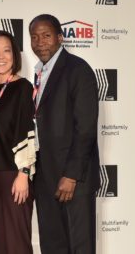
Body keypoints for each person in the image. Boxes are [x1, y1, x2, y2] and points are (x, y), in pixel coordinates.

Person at [29, 14, 100, 254]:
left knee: (79, 247)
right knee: (52, 246)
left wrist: (70, 175)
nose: (40, 42)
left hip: (73, 180)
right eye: (34, 37)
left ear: (60, 37)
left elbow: (86, 128)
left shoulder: (78, 70)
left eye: (46, 35)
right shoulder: (39, 73)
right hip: (45, 177)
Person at [0, 30, 36, 254]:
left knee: (17, 242)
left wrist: (24, 173)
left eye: (6, 50)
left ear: (14, 56)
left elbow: (29, 130)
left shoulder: (23, 88)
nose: (0, 56)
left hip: (15, 174)